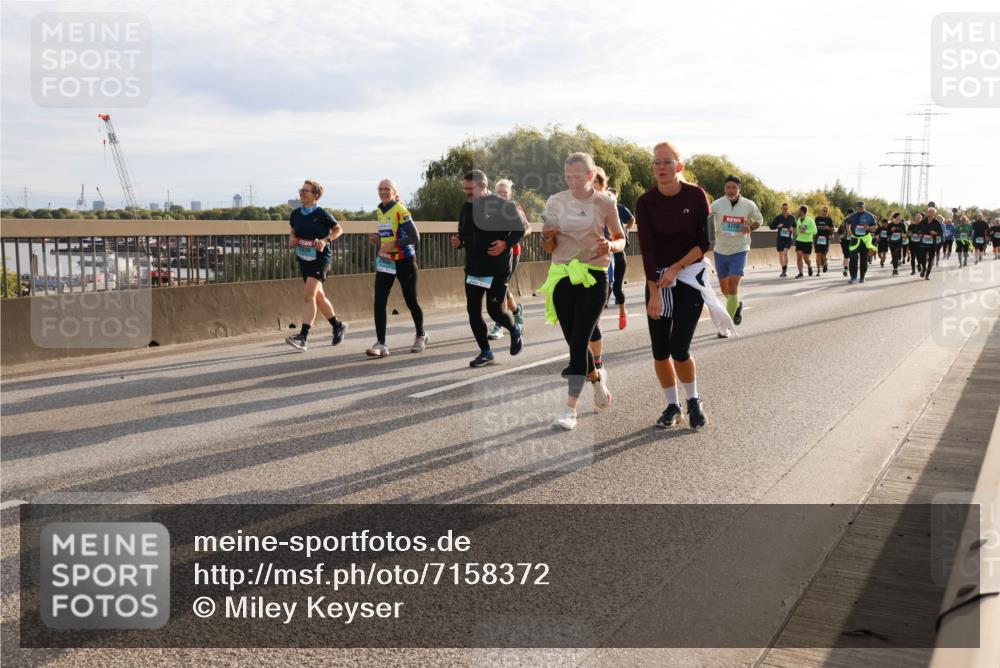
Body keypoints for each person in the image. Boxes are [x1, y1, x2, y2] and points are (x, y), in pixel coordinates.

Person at [636, 141, 734, 431]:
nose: (661, 168)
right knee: (660, 349)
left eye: (667, 162)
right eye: (656, 163)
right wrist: (654, 291)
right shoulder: (646, 202)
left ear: (679, 165)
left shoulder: (695, 195)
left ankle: (693, 400)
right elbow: (648, 248)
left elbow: (704, 242)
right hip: (658, 278)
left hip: (689, 275)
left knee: (679, 347)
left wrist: (677, 268)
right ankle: (672, 405)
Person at [537, 152, 625, 430]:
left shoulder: (604, 201)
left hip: (594, 275)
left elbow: (622, 239)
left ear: (590, 176)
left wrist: (610, 246)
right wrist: (548, 236)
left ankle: (569, 410)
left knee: (578, 342)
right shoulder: (555, 201)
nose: (573, 181)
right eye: (568, 176)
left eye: (578, 176)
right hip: (562, 275)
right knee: (573, 340)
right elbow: (547, 246)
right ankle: (597, 381)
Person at [452, 170, 525, 367]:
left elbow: (519, 229)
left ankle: (514, 328)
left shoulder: (503, 205)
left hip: (496, 269)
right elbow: (464, 234)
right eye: (465, 189)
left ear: (483, 186)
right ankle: (485, 352)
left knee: (495, 312)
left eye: (470, 189)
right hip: (474, 269)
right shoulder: (466, 208)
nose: (467, 193)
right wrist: (458, 242)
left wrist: (504, 244)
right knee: (473, 312)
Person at [365, 179, 427, 358]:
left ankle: (421, 334)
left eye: (387, 189)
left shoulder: (400, 209)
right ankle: (381, 343)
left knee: (411, 300)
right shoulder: (379, 210)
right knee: (379, 301)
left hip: (405, 260)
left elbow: (415, 237)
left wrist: (394, 243)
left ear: (393, 191)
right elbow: (391, 232)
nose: (383, 192)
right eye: (380, 189)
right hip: (386, 261)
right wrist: (379, 238)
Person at [285, 179, 348, 351]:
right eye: (301, 190)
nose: (302, 193)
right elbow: (292, 231)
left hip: (321, 259)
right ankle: (337, 326)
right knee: (318, 297)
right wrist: (292, 239)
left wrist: (325, 240)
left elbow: (338, 229)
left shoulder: (321, 213)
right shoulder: (296, 214)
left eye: (306, 191)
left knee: (309, 296)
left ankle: (303, 337)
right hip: (304, 259)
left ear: (315, 196)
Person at [709, 175, 762, 331]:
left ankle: (725, 326)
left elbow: (760, 219)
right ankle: (737, 304)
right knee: (724, 288)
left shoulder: (748, 205)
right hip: (720, 249)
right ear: (724, 188)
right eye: (728, 187)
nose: (731, 190)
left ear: (739, 189)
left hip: (740, 248)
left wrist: (750, 227)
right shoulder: (717, 205)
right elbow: (706, 220)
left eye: (734, 187)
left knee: (733, 285)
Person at [489, 179, 528, 340]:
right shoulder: (489, 208)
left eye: (505, 193)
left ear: (510, 194)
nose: (502, 195)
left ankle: (499, 325)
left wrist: (512, 238)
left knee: (500, 288)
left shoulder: (515, 208)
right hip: (494, 254)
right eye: (500, 192)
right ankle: (517, 311)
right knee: (501, 288)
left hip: (512, 252)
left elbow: (527, 228)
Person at [608, 186, 635, 329]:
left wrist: (626, 230)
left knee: (617, 288)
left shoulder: (620, 208)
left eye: (612, 195)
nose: (609, 197)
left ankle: (623, 312)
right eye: (607, 195)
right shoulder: (597, 209)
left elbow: (632, 219)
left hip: (618, 253)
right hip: (603, 255)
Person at [846, 201, 877, 284]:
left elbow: (875, 226)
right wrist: (848, 230)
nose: (860, 208)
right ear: (856, 207)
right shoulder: (853, 216)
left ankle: (862, 277)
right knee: (853, 259)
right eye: (859, 207)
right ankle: (853, 277)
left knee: (863, 259)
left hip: (864, 240)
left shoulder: (869, 215)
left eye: (862, 207)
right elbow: (847, 222)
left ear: (864, 207)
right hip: (855, 239)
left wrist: (869, 227)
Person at [768, 202, 796, 277]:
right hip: (780, 238)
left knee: (785, 252)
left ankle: (785, 270)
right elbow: (771, 226)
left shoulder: (792, 217)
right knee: (781, 253)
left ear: (788, 209)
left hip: (788, 238)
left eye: (786, 208)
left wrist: (792, 228)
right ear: (781, 209)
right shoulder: (778, 217)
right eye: (783, 208)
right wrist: (777, 226)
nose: (785, 210)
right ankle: (783, 270)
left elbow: (795, 226)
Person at [917, 206, 943, 279]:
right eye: (928, 212)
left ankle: (928, 273)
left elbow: (941, 233)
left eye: (931, 212)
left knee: (931, 258)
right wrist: (919, 234)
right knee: (922, 257)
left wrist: (935, 233)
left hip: (932, 243)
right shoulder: (923, 221)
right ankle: (924, 269)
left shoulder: (937, 223)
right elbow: (917, 229)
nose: (929, 214)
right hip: (923, 242)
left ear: (934, 214)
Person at [792, 205, 816, 278]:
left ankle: (809, 266)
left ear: (802, 211)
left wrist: (805, 231)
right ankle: (800, 273)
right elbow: (798, 231)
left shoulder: (810, 220)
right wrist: (795, 231)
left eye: (799, 210)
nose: (798, 211)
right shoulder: (798, 220)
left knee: (806, 259)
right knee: (799, 256)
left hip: (808, 242)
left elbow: (815, 231)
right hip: (799, 240)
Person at [814, 205, 835, 273]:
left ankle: (825, 263)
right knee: (818, 254)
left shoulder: (829, 219)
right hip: (818, 238)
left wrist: (828, 228)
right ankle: (818, 271)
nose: (825, 212)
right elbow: (814, 227)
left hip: (825, 239)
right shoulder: (817, 218)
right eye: (824, 210)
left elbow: (833, 229)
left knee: (823, 255)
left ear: (828, 212)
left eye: (826, 211)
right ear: (822, 211)